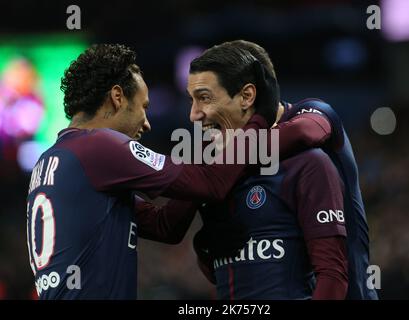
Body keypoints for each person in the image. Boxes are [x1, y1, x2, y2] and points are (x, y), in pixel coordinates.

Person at [25, 43, 281, 300]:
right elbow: (211, 184)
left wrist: (204, 150)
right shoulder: (98, 147)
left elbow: (164, 226)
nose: (147, 123)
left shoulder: (51, 161)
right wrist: (261, 119)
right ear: (117, 97)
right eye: (143, 107)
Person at [192, 40, 378, 300]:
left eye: (207, 98)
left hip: (353, 289)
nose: (197, 114)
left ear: (250, 94)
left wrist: (222, 158)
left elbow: (303, 132)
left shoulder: (312, 113)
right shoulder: (239, 160)